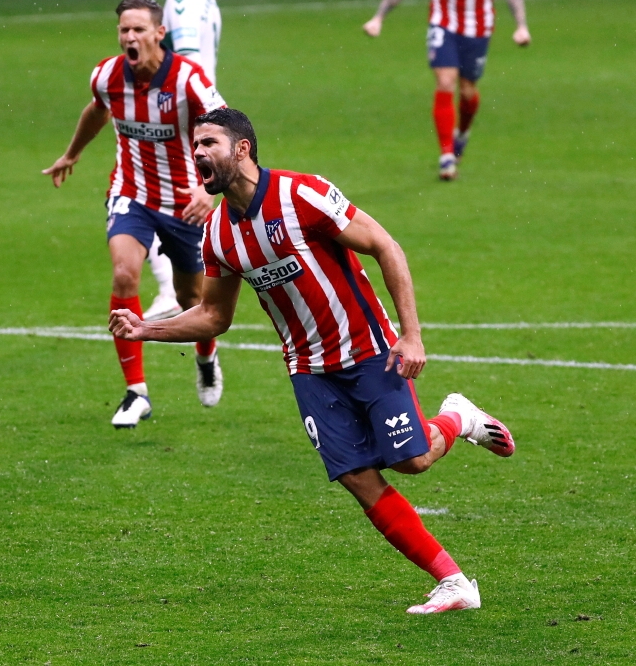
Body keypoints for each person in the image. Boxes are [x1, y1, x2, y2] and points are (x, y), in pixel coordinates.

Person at [110, 108, 516, 614]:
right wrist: (146, 328)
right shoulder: (216, 234)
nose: (197, 153)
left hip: (368, 350)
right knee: (357, 477)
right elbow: (214, 315)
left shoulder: (301, 194)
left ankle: (459, 417)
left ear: (242, 149)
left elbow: (385, 246)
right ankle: (454, 582)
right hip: (308, 370)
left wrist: (411, 335)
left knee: (411, 461)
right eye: (194, 145)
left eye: (209, 143)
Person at [42, 0, 228, 428]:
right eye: (124, 29)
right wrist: (72, 153)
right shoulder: (107, 75)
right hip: (132, 193)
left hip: (185, 202)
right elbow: (98, 110)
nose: (130, 36)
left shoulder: (188, 80)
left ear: (159, 33)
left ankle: (206, 357)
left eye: (139, 29)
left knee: (191, 299)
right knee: (125, 274)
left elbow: (226, 130)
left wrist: (209, 190)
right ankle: (136, 392)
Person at [363, 0, 531, 180]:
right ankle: (447, 157)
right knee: (445, 81)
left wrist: (521, 25)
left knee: (467, 91)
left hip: (478, 26)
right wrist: (379, 18)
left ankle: (462, 134)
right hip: (443, 22)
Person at [140, 0, 224, 322]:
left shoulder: (181, 0)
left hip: (185, 118)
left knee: (145, 193)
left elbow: (188, 64)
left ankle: (171, 289)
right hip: (197, 114)